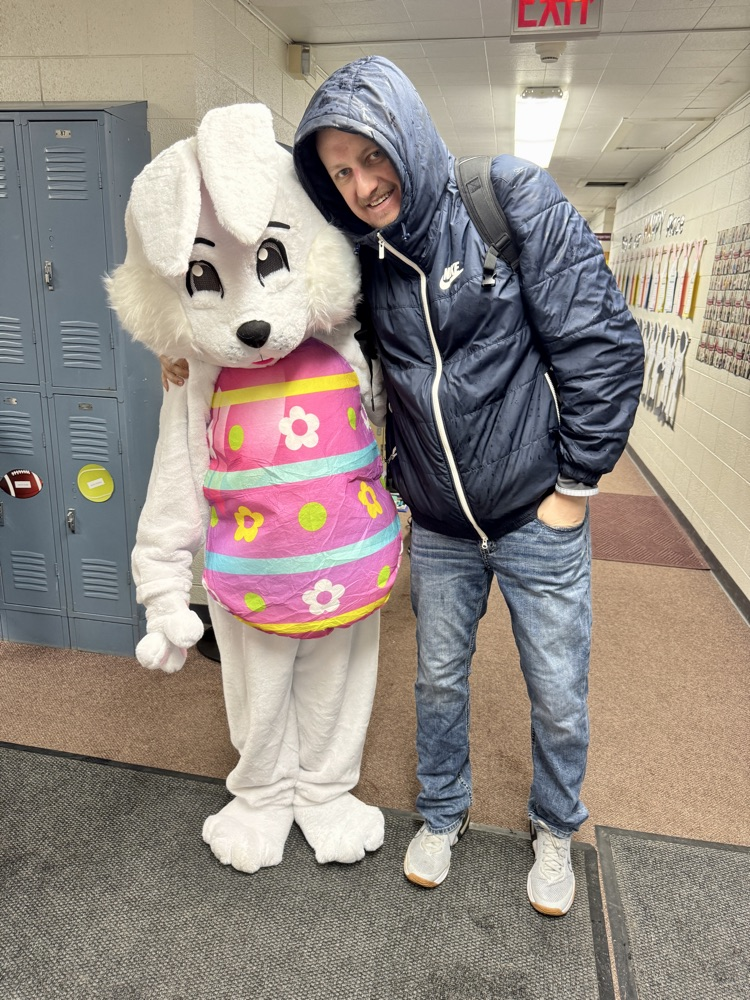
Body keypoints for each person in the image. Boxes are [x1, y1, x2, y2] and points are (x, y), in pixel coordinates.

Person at [162, 55, 645, 916]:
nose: (361, 183)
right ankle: (444, 812)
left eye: (371, 157)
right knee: (438, 682)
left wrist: (576, 483)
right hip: (440, 524)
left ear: (407, 140)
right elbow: (277, 310)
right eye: (340, 171)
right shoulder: (358, 258)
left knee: (558, 692)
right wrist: (183, 350)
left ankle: (554, 828)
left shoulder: (505, 199)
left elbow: (601, 343)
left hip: (538, 514)